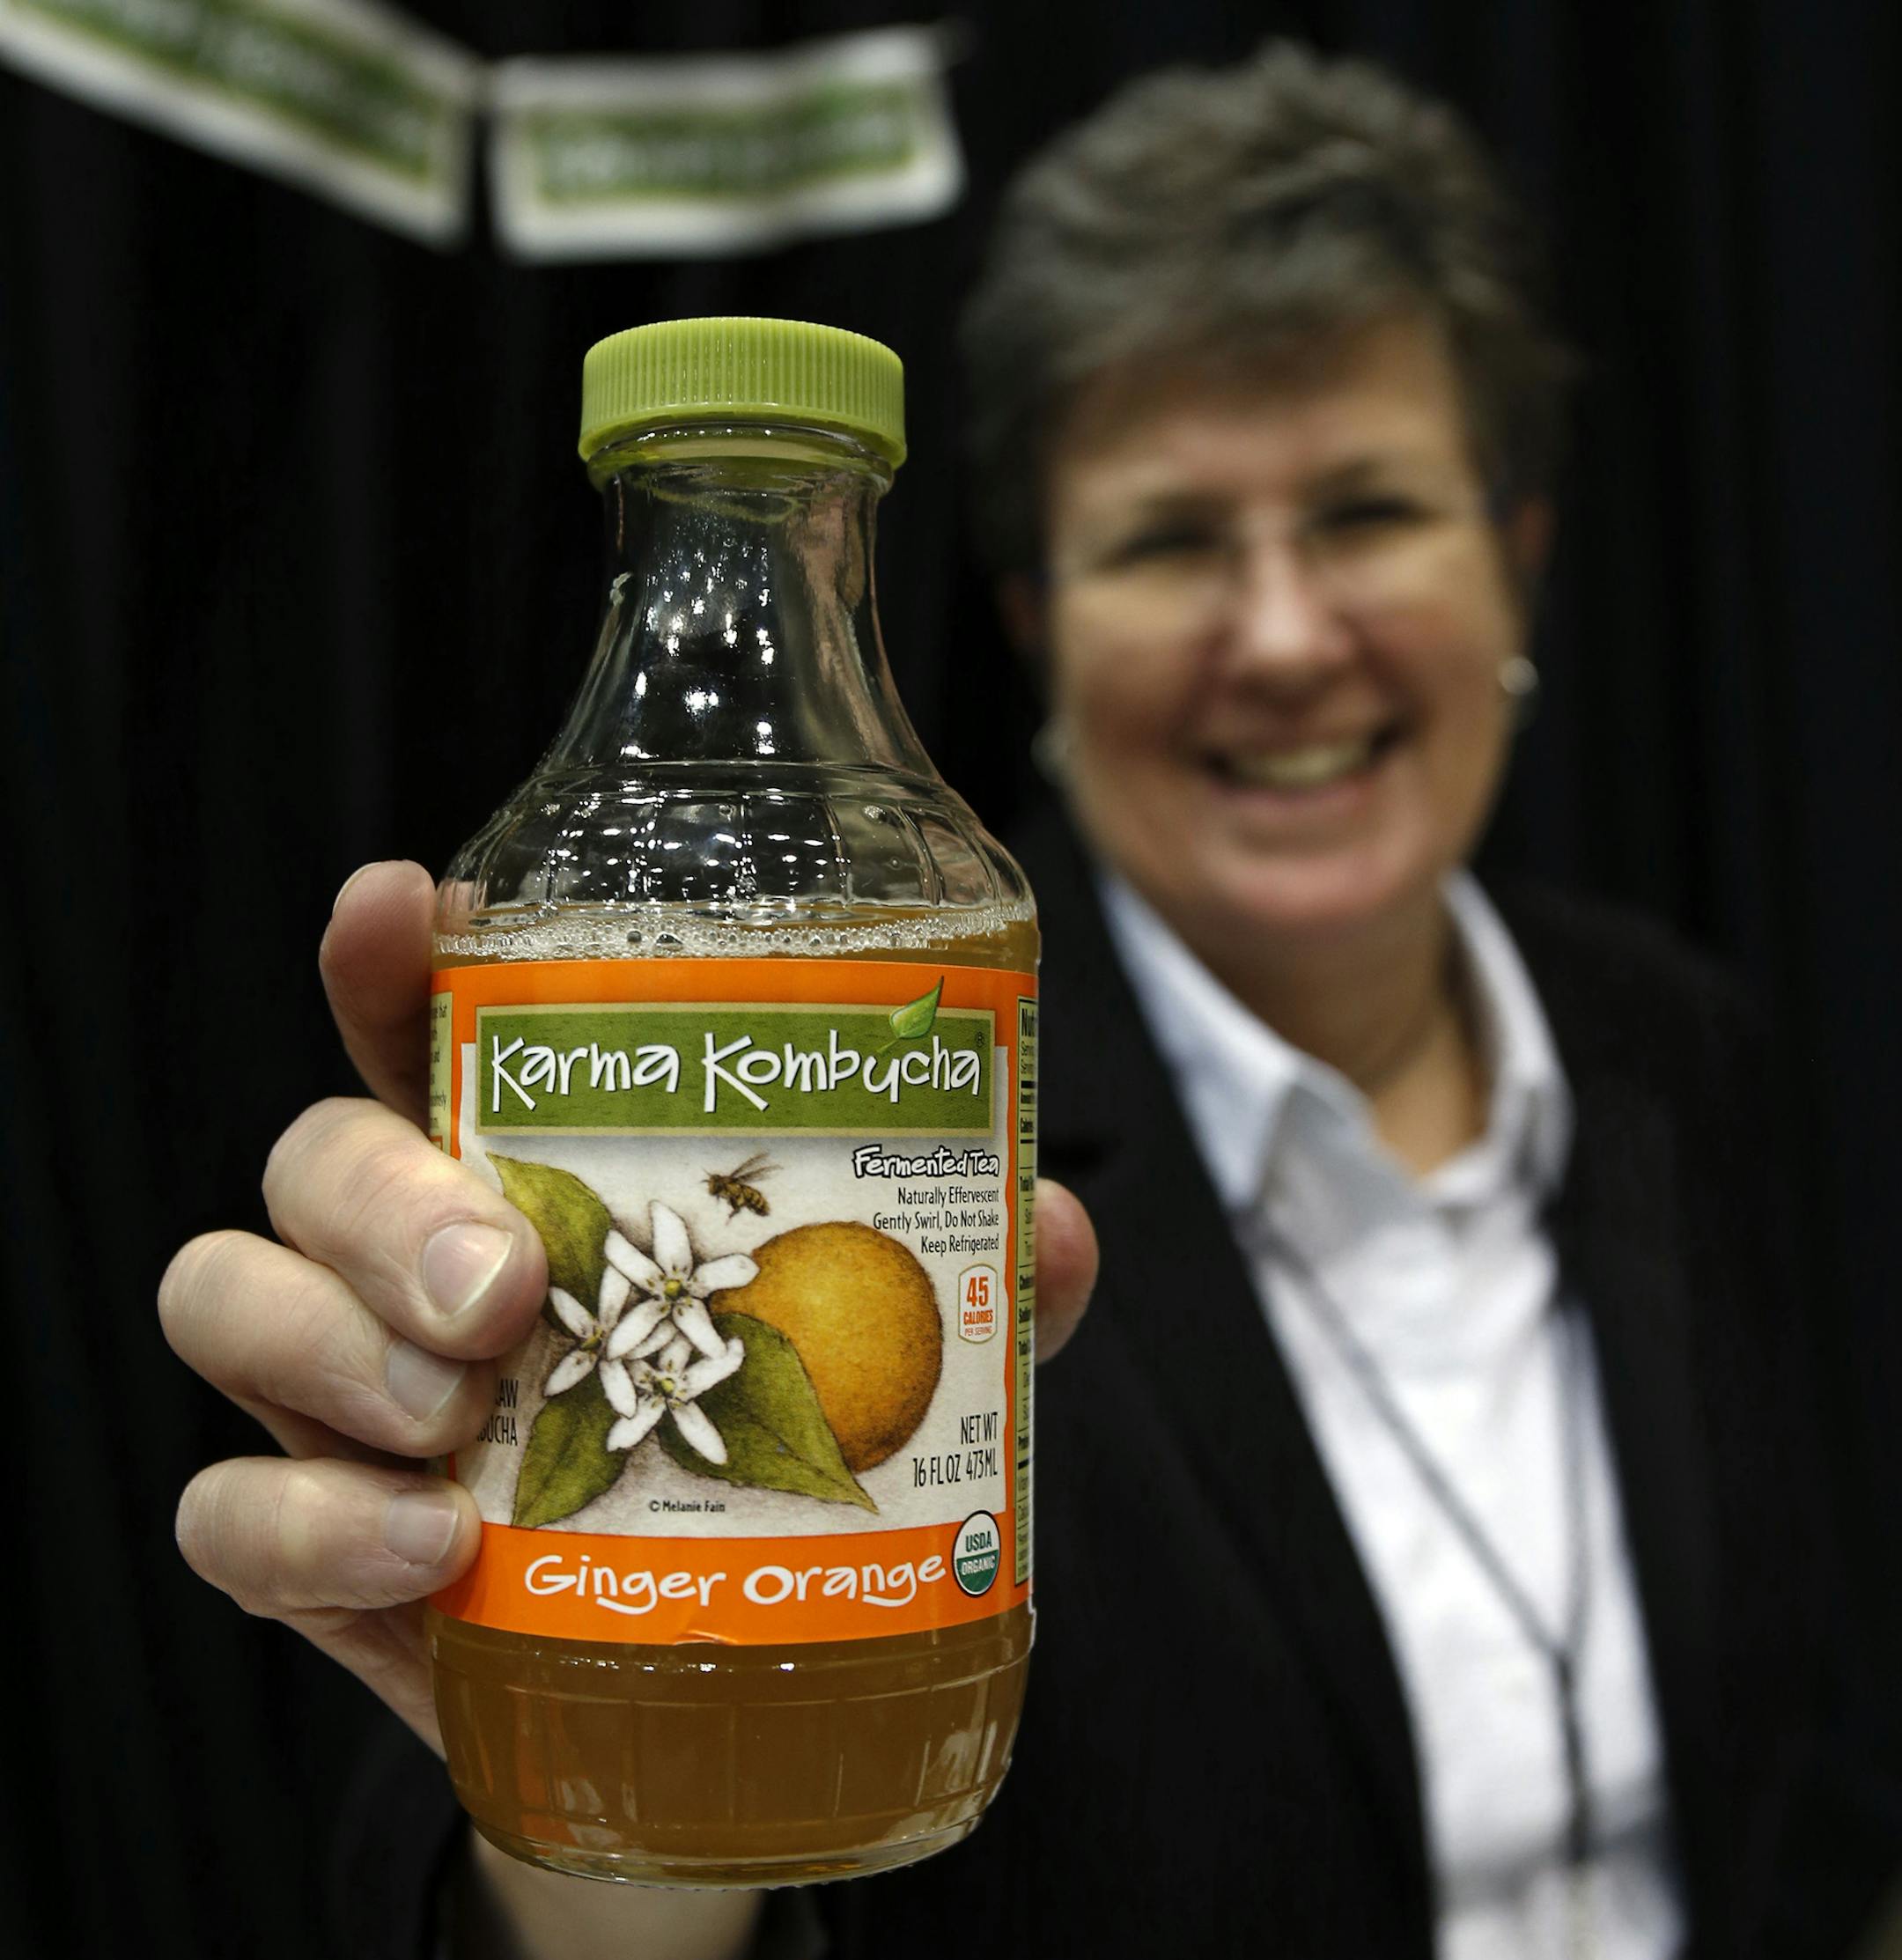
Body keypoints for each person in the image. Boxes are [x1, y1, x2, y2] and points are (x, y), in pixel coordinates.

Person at [158, 41, 1896, 1960]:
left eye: (1369, 512)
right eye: (1168, 539)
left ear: (1521, 556)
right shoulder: (879, 1079)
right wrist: (567, 1736)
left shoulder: (1687, 1052)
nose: (1288, 636)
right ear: (1032, 622)